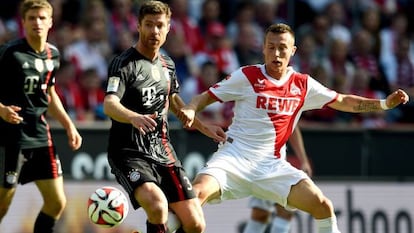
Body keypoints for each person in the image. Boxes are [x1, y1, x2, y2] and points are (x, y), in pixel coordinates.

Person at [176, 23, 409, 233]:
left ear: (293, 51)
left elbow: (344, 101)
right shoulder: (247, 75)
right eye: (271, 47)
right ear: (264, 49)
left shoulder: (303, 84)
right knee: (195, 195)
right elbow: (204, 97)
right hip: (234, 159)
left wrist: (384, 104)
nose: (276, 53)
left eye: (282, 48)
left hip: (273, 166)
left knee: (323, 206)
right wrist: (191, 108)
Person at [102, 1, 226, 233]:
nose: (154, 31)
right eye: (149, 25)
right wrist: (132, 117)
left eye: (160, 25)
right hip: (129, 152)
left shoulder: (167, 64)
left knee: (195, 224)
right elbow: (109, 103)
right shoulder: (123, 64)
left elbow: (175, 103)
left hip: (163, 151)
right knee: (158, 206)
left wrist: (203, 126)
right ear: (138, 26)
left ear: (168, 28)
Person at [0, 1, 83, 233]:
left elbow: (49, 93)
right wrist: (2, 110)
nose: (37, 22)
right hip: (10, 137)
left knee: (57, 202)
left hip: (40, 135)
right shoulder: (10, 53)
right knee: (3, 204)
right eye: (32, 18)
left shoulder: (53, 54)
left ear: (50, 22)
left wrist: (69, 125)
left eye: (42, 18)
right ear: (23, 22)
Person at [243, 127, 313, 233]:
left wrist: (304, 160)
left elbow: (292, 126)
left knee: (276, 212)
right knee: (266, 213)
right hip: (261, 163)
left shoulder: (287, 111)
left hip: (273, 163)